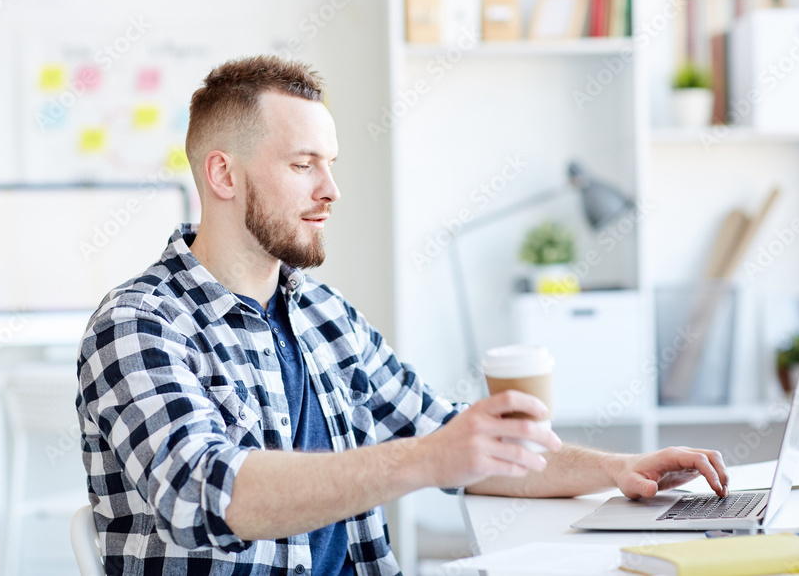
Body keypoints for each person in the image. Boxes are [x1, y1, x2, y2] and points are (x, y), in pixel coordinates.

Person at [76, 55, 729, 575]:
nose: (331, 189)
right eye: (304, 165)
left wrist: (617, 468)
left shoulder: (324, 316)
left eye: (330, 165)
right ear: (223, 174)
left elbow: (456, 439)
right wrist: (423, 460)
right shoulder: (139, 325)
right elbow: (211, 496)